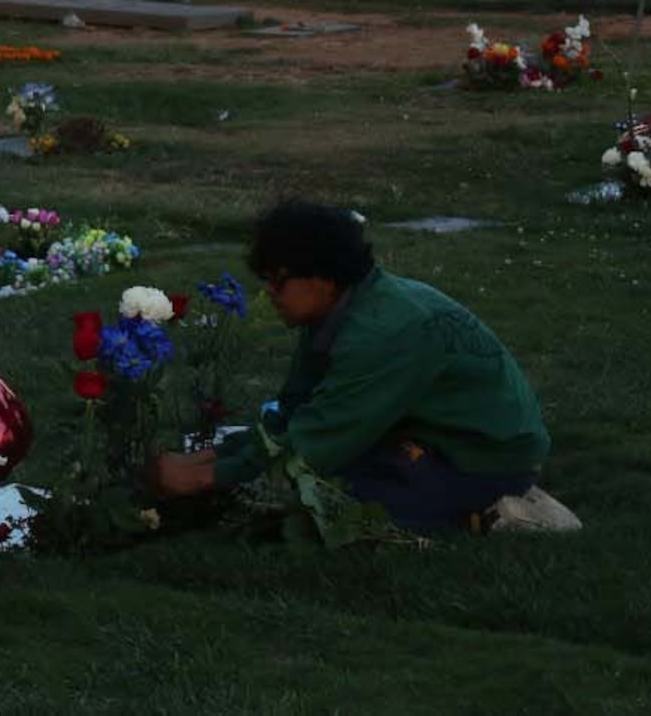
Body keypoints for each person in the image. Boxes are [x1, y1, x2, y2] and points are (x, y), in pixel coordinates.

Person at [149, 201, 558, 532]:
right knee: (312, 475)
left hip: (483, 457)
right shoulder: (335, 312)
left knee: (337, 501)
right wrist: (212, 458)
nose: (270, 293)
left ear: (324, 278)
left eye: (279, 281)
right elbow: (294, 410)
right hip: (423, 434)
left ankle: (495, 510)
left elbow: (319, 439)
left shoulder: (382, 334)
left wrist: (205, 478)